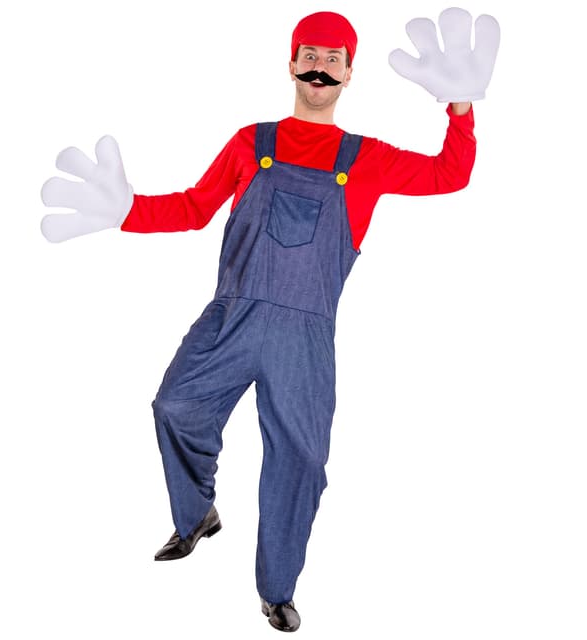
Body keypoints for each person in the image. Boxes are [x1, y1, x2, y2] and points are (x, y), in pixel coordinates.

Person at [41, 9, 500, 633]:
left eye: (333, 60)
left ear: (349, 74)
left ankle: (276, 588)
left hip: (305, 336)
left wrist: (461, 110)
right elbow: (194, 208)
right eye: (310, 56)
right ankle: (196, 515)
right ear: (292, 64)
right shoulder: (250, 142)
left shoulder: (366, 157)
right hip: (231, 316)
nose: (320, 68)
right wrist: (127, 210)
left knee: (301, 460)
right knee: (175, 406)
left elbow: (451, 174)